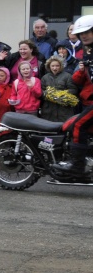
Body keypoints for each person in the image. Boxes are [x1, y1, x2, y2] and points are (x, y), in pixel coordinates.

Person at [51, 15, 93, 176]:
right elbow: (78, 80)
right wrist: (82, 70)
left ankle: (77, 166)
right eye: (81, 32)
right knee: (70, 125)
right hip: (88, 102)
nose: (84, 35)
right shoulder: (87, 54)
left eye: (88, 31)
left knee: (78, 126)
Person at [40, 55, 77, 123]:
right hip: (48, 110)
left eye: (57, 66)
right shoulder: (45, 77)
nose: (55, 68)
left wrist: (61, 95)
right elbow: (41, 91)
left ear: (61, 66)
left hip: (64, 110)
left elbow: (73, 89)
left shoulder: (67, 76)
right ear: (49, 66)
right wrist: (49, 95)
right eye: (52, 66)